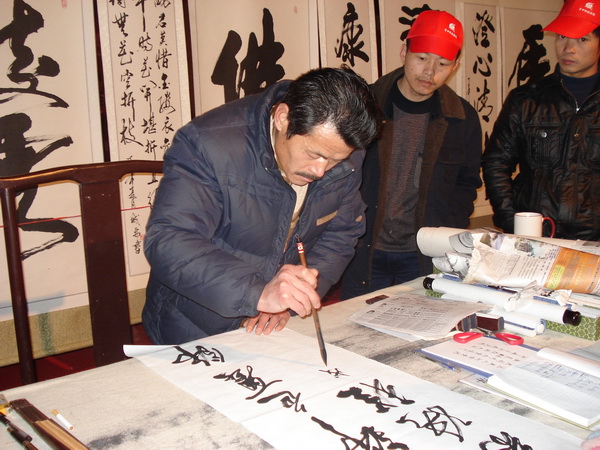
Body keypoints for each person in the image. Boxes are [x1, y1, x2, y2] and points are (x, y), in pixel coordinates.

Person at [142, 67, 380, 345]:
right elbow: (169, 239)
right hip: (194, 319)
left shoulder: (345, 149)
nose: (320, 171)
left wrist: (291, 298)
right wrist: (257, 293)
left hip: (272, 326)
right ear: (282, 118)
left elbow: (341, 233)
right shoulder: (208, 144)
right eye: (314, 154)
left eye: (335, 160)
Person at [341, 10, 482, 299]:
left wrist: (448, 231)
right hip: (364, 248)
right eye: (422, 58)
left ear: (455, 66)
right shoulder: (366, 104)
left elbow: (467, 183)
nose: (430, 72)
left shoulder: (462, 118)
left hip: (425, 253)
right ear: (404, 52)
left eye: (442, 64)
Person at [482, 0, 600, 240]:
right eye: (562, 37)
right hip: (536, 236)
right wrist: (511, 220)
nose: (569, 48)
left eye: (582, 39)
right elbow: (496, 162)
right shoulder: (527, 99)